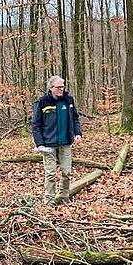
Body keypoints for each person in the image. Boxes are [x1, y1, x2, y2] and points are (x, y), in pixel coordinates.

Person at [31, 75, 82, 206]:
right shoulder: (42, 102)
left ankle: (64, 196)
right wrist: (39, 143)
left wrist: (77, 133)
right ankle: (49, 200)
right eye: (58, 87)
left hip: (65, 142)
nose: (61, 89)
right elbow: (35, 125)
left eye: (62, 87)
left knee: (66, 172)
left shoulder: (68, 100)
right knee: (51, 174)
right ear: (51, 88)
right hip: (48, 144)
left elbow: (75, 118)